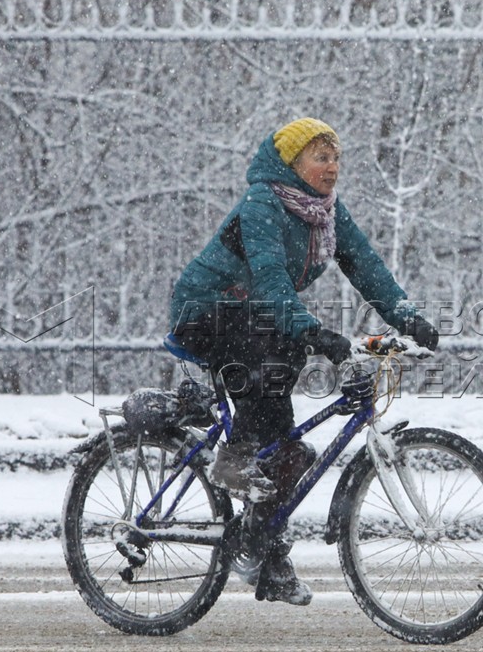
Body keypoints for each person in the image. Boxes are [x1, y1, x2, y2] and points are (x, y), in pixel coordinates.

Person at [168, 117, 439, 605]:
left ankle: (263, 550)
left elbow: (366, 266)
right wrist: (314, 331)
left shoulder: (326, 212)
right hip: (207, 311)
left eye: (335, 158)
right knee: (271, 349)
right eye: (320, 157)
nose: (332, 167)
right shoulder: (263, 203)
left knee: (286, 449)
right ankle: (235, 458)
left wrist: (408, 317)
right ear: (293, 164)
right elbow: (270, 279)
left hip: (257, 314)